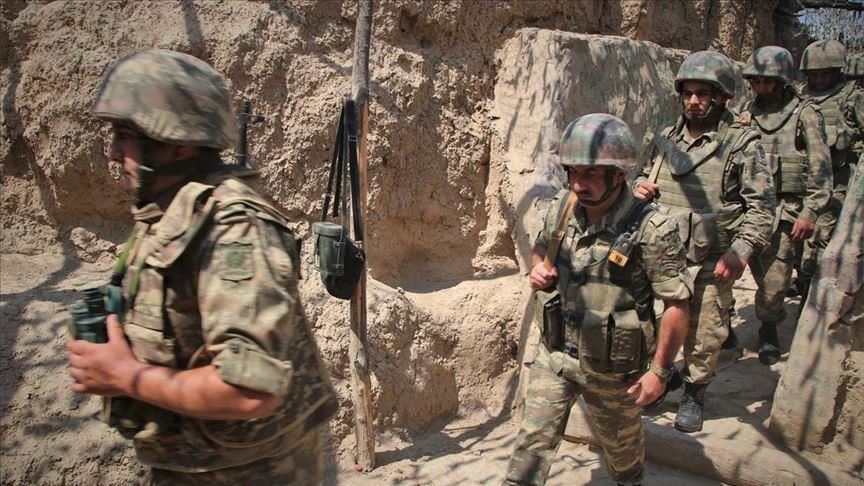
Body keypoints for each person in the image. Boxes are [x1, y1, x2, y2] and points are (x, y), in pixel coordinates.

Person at [65, 49, 337, 484]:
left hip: (250, 474)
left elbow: (249, 391)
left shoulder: (234, 229)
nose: (113, 152)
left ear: (178, 143)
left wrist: (126, 375)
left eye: (125, 135)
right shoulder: (171, 211)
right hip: (198, 465)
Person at [504, 114, 691, 486]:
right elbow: (541, 247)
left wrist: (659, 373)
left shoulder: (652, 228)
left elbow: (677, 305)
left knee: (624, 463)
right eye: (572, 171)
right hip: (555, 355)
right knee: (531, 446)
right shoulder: (563, 206)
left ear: (618, 175)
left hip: (613, 372)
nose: (578, 183)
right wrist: (538, 268)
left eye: (590, 173)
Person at [633, 51, 775, 433]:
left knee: (704, 331)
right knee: (650, 322)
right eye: (688, 93)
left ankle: (694, 393)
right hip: (661, 253)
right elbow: (643, 175)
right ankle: (662, 376)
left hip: (711, 258)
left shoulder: (742, 143)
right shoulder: (665, 137)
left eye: (703, 93)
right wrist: (640, 186)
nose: (693, 101)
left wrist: (740, 252)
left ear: (722, 97)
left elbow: (763, 207)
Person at [739, 46, 832, 365]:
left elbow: (820, 167)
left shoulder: (804, 114)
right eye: (756, 81)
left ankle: (772, 326)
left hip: (787, 211)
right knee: (730, 274)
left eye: (768, 81)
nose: (761, 87)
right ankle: (730, 331)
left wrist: (810, 211)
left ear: (781, 81)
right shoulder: (747, 113)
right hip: (749, 209)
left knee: (779, 281)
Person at [797, 40, 863, 299]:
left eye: (824, 74)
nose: (819, 79)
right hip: (801, 185)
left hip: (839, 186)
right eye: (813, 74)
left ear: (837, 72)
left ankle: (813, 298)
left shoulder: (853, 98)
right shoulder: (799, 98)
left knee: (820, 243)